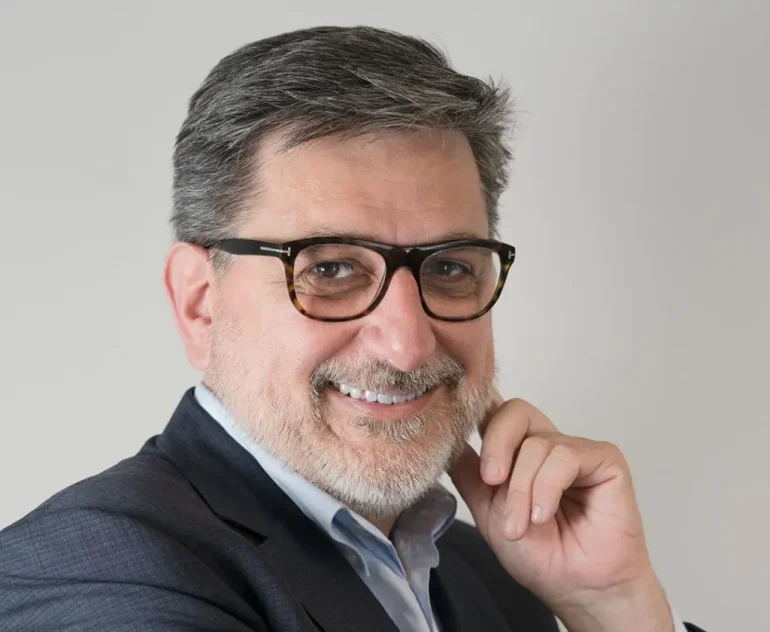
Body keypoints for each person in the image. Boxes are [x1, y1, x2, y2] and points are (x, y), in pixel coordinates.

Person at [0, 26, 705, 632]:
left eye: (449, 268)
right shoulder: (94, 567)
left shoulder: (497, 576)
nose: (407, 344)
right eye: (331, 269)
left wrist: (613, 608)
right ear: (199, 304)